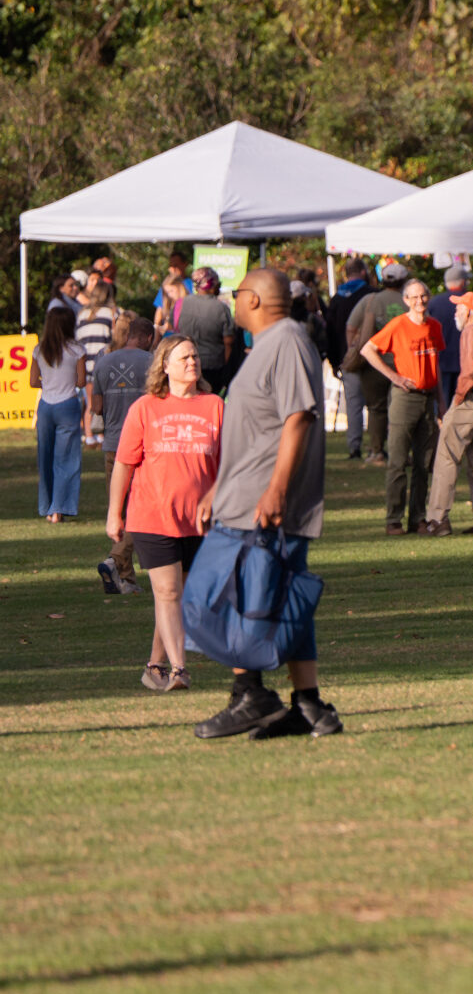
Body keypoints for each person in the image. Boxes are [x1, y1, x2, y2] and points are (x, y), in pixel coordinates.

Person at [193, 269, 341, 740]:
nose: (232, 302)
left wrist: (276, 488)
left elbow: (298, 417)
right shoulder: (267, 346)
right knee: (283, 599)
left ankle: (250, 694)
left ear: (254, 299)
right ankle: (309, 705)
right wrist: (220, 486)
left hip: (264, 503)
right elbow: (258, 428)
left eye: (237, 295)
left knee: (226, 599)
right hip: (243, 494)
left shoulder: (287, 340)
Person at [106, 334, 222, 693]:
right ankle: (179, 670)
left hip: (199, 520)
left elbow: (231, 463)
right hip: (152, 515)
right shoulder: (145, 407)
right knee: (168, 593)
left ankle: (153, 666)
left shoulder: (215, 405)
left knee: (176, 597)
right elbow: (124, 465)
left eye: (195, 357)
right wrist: (114, 513)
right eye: (184, 357)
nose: (192, 362)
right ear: (165, 366)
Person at [361, 279, 443, 537]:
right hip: (405, 397)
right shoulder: (398, 325)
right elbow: (368, 350)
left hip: (427, 398)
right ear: (406, 300)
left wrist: (441, 401)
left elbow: (436, 365)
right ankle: (393, 519)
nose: (420, 302)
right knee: (397, 461)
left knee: (424, 462)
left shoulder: (434, 326)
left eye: (423, 296)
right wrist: (393, 376)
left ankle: (418, 518)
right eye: (414, 297)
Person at [426, 290, 473, 536]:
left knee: (446, 459)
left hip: (471, 400)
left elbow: (468, 372)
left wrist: (456, 402)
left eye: (459, 308)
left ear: (470, 311)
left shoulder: (472, 331)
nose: (456, 312)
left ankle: (437, 519)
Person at [91, 310, 157, 595]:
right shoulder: (153, 361)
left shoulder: (103, 362)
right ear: (149, 338)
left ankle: (126, 580)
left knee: (119, 510)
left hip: (112, 445)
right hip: (144, 445)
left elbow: (96, 408)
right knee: (140, 511)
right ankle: (116, 561)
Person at [344, 263, 410, 466]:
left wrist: (355, 351)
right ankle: (401, 452)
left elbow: (351, 327)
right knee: (401, 409)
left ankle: (376, 451)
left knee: (376, 409)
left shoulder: (370, 300)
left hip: (374, 363)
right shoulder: (409, 301)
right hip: (403, 363)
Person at [30, 304, 87, 524]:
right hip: (68, 405)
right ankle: (59, 509)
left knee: (45, 457)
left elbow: (34, 381)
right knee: (67, 459)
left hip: (46, 405)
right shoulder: (77, 349)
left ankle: (46, 506)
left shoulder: (39, 349)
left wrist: (50, 383)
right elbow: (81, 381)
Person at [323, 259, 372, 458]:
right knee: (377, 403)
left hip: (346, 358)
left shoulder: (337, 299)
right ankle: (377, 445)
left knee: (353, 403)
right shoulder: (370, 295)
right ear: (362, 272)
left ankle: (354, 446)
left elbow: (330, 332)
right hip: (370, 356)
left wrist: (335, 361)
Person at [177, 267, 240, 395]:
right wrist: (227, 370)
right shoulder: (221, 308)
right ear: (211, 284)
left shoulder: (181, 304)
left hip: (185, 363)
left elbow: (175, 330)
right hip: (213, 368)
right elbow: (228, 342)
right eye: (218, 284)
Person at [75, 279, 118, 444]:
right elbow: (115, 339)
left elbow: (79, 340)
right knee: (106, 401)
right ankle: (103, 434)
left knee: (91, 402)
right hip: (105, 363)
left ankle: (90, 436)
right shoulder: (111, 313)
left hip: (86, 364)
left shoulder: (82, 315)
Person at [429, 265, 470, 406]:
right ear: (462, 282)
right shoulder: (469, 302)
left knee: (443, 401)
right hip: (465, 359)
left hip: (442, 359)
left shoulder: (434, 303)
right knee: (464, 402)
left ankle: (445, 426)